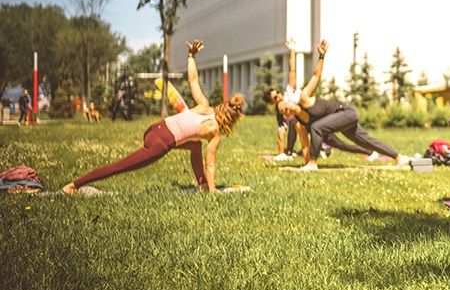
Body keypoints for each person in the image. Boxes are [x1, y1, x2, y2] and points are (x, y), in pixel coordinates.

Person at [63, 40, 244, 194]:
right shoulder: (214, 132)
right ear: (231, 121)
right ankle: (72, 185)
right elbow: (210, 164)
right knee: (120, 166)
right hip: (161, 143)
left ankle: (202, 184)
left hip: (156, 128)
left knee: (195, 145)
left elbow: (193, 80)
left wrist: (191, 56)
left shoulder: (204, 106)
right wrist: (214, 192)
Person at [277, 40, 400, 171]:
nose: (286, 109)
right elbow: (305, 145)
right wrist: (305, 162)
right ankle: (399, 157)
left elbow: (315, 76)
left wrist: (321, 56)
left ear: (288, 100)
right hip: (341, 119)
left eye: (285, 105)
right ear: (288, 115)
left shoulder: (304, 98)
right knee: (364, 141)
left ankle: (313, 163)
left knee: (316, 127)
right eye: (284, 112)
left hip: (347, 112)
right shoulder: (299, 124)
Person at [265, 40, 376, 162]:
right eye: (275, 97)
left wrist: (292, 50)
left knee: (341, 145)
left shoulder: (289, 93)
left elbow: (292, 70)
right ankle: (293, 153)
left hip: (319, 122)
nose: (279, 96)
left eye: (278, 93)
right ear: (272, 103)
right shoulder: (281, 113)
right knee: (295, 125)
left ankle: (369, 151)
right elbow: (283, 134)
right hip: (309, 126)